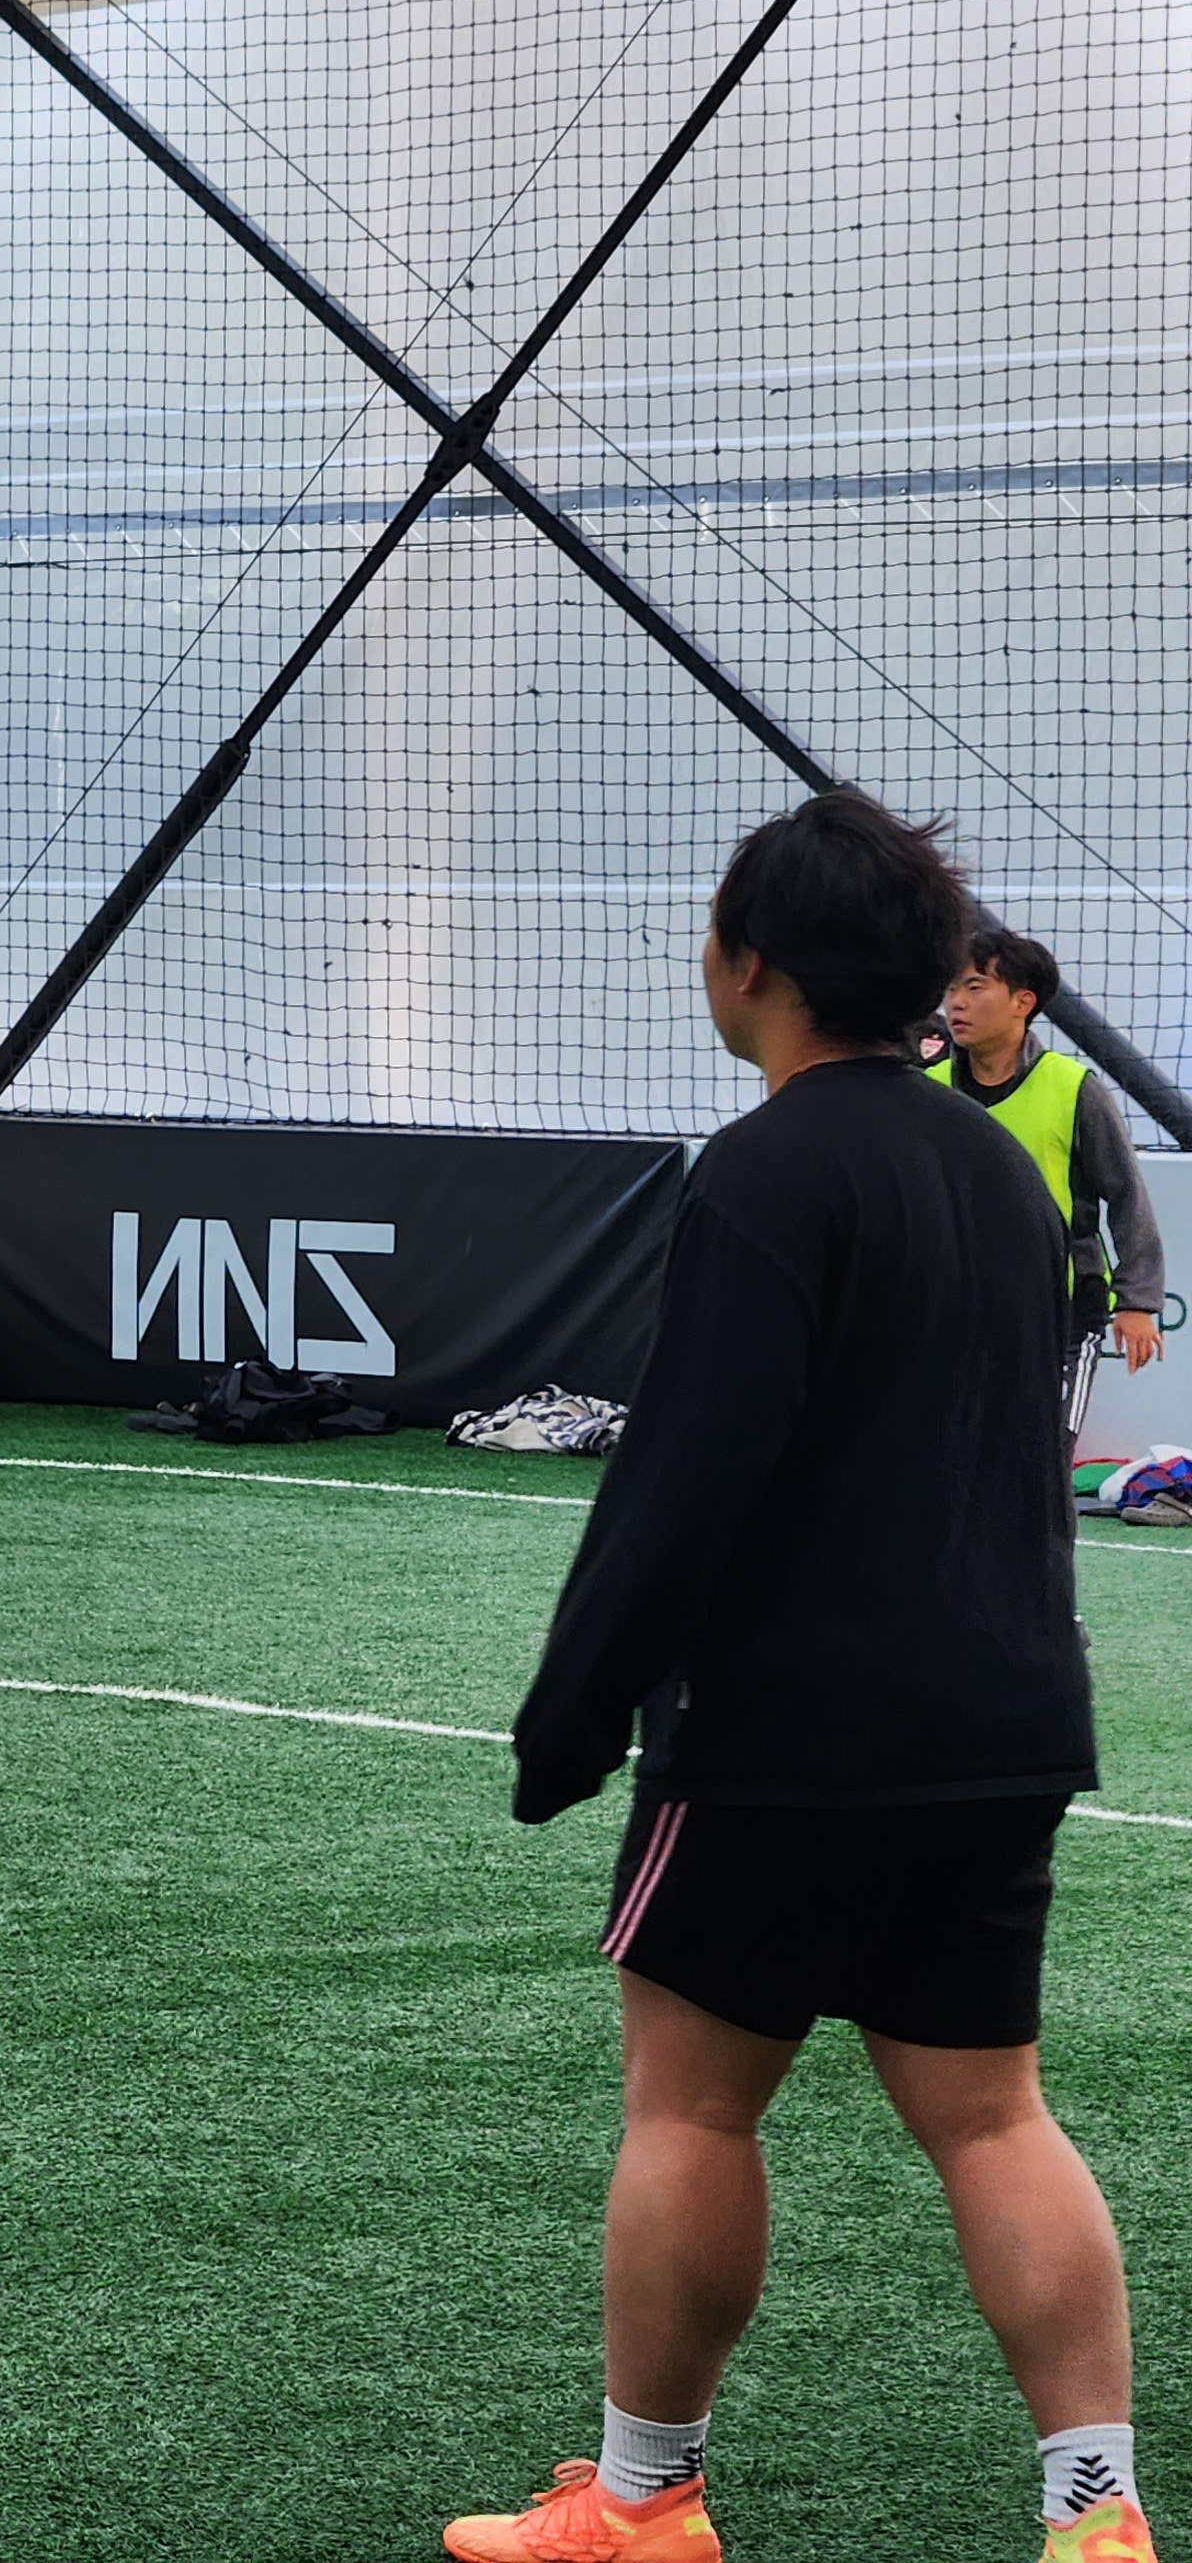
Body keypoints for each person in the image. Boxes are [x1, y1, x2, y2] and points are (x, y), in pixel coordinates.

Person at [452, 792, 1144, 2563]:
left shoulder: (761, 1173)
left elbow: (685, 1475)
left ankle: (642, 2504)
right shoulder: (997, 1170)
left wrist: (570, 1714)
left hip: (780, 1740)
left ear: (749, 964)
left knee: (691, 2109)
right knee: (995, 2119)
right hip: (1000, 1720)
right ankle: (1098, 2511)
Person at [933, 929, 1165, 1421]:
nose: (956, 1003)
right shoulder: (927, 1091)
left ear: (1023, 1002)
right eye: (951, 989)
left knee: (1045, 1451)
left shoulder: (1073, 1088)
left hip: (1060, 1311)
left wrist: (1138, 1302)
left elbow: (1127, 1197)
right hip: (954, 1308)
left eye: (974, 987)